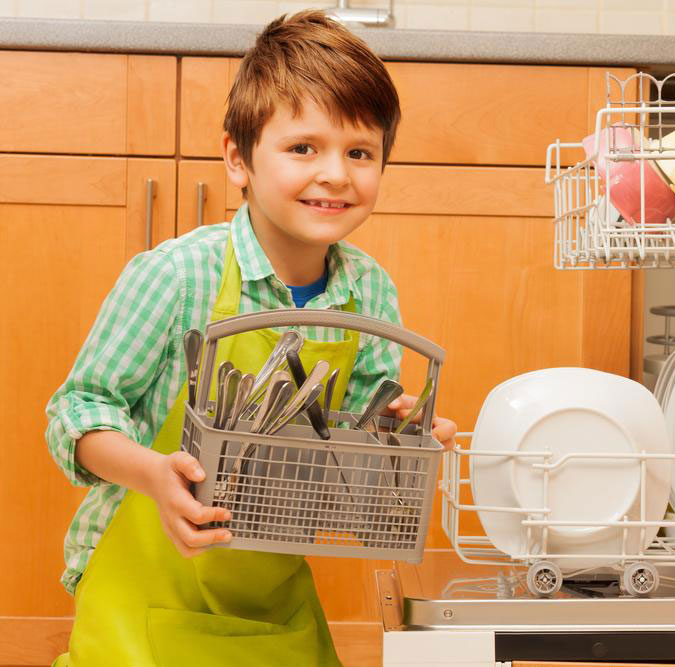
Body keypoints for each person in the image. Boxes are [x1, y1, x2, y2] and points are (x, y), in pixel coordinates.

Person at [44, 10, 456, 665]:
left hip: (273, 603)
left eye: (360, 152)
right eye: (303, 148)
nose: (336, 174)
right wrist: (154, 474)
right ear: (238, 159)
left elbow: (357, 453)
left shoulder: (369, 293)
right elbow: (76, 413)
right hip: (144, 597)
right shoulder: (178, 275)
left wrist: (401, 441)